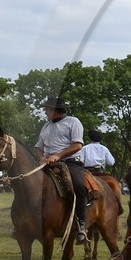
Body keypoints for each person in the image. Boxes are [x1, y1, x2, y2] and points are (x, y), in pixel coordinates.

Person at [36, 97, 90, 243]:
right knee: (29, 185)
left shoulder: (73, 121)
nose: (45, 112)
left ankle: (81, 224)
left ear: (55, 110)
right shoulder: (46, 126)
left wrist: (58, 155)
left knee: (79, 185)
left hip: (70, 162)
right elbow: (38, 147)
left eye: (47, 109)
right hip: (47, 164)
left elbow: (78, 144)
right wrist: (42, 157)